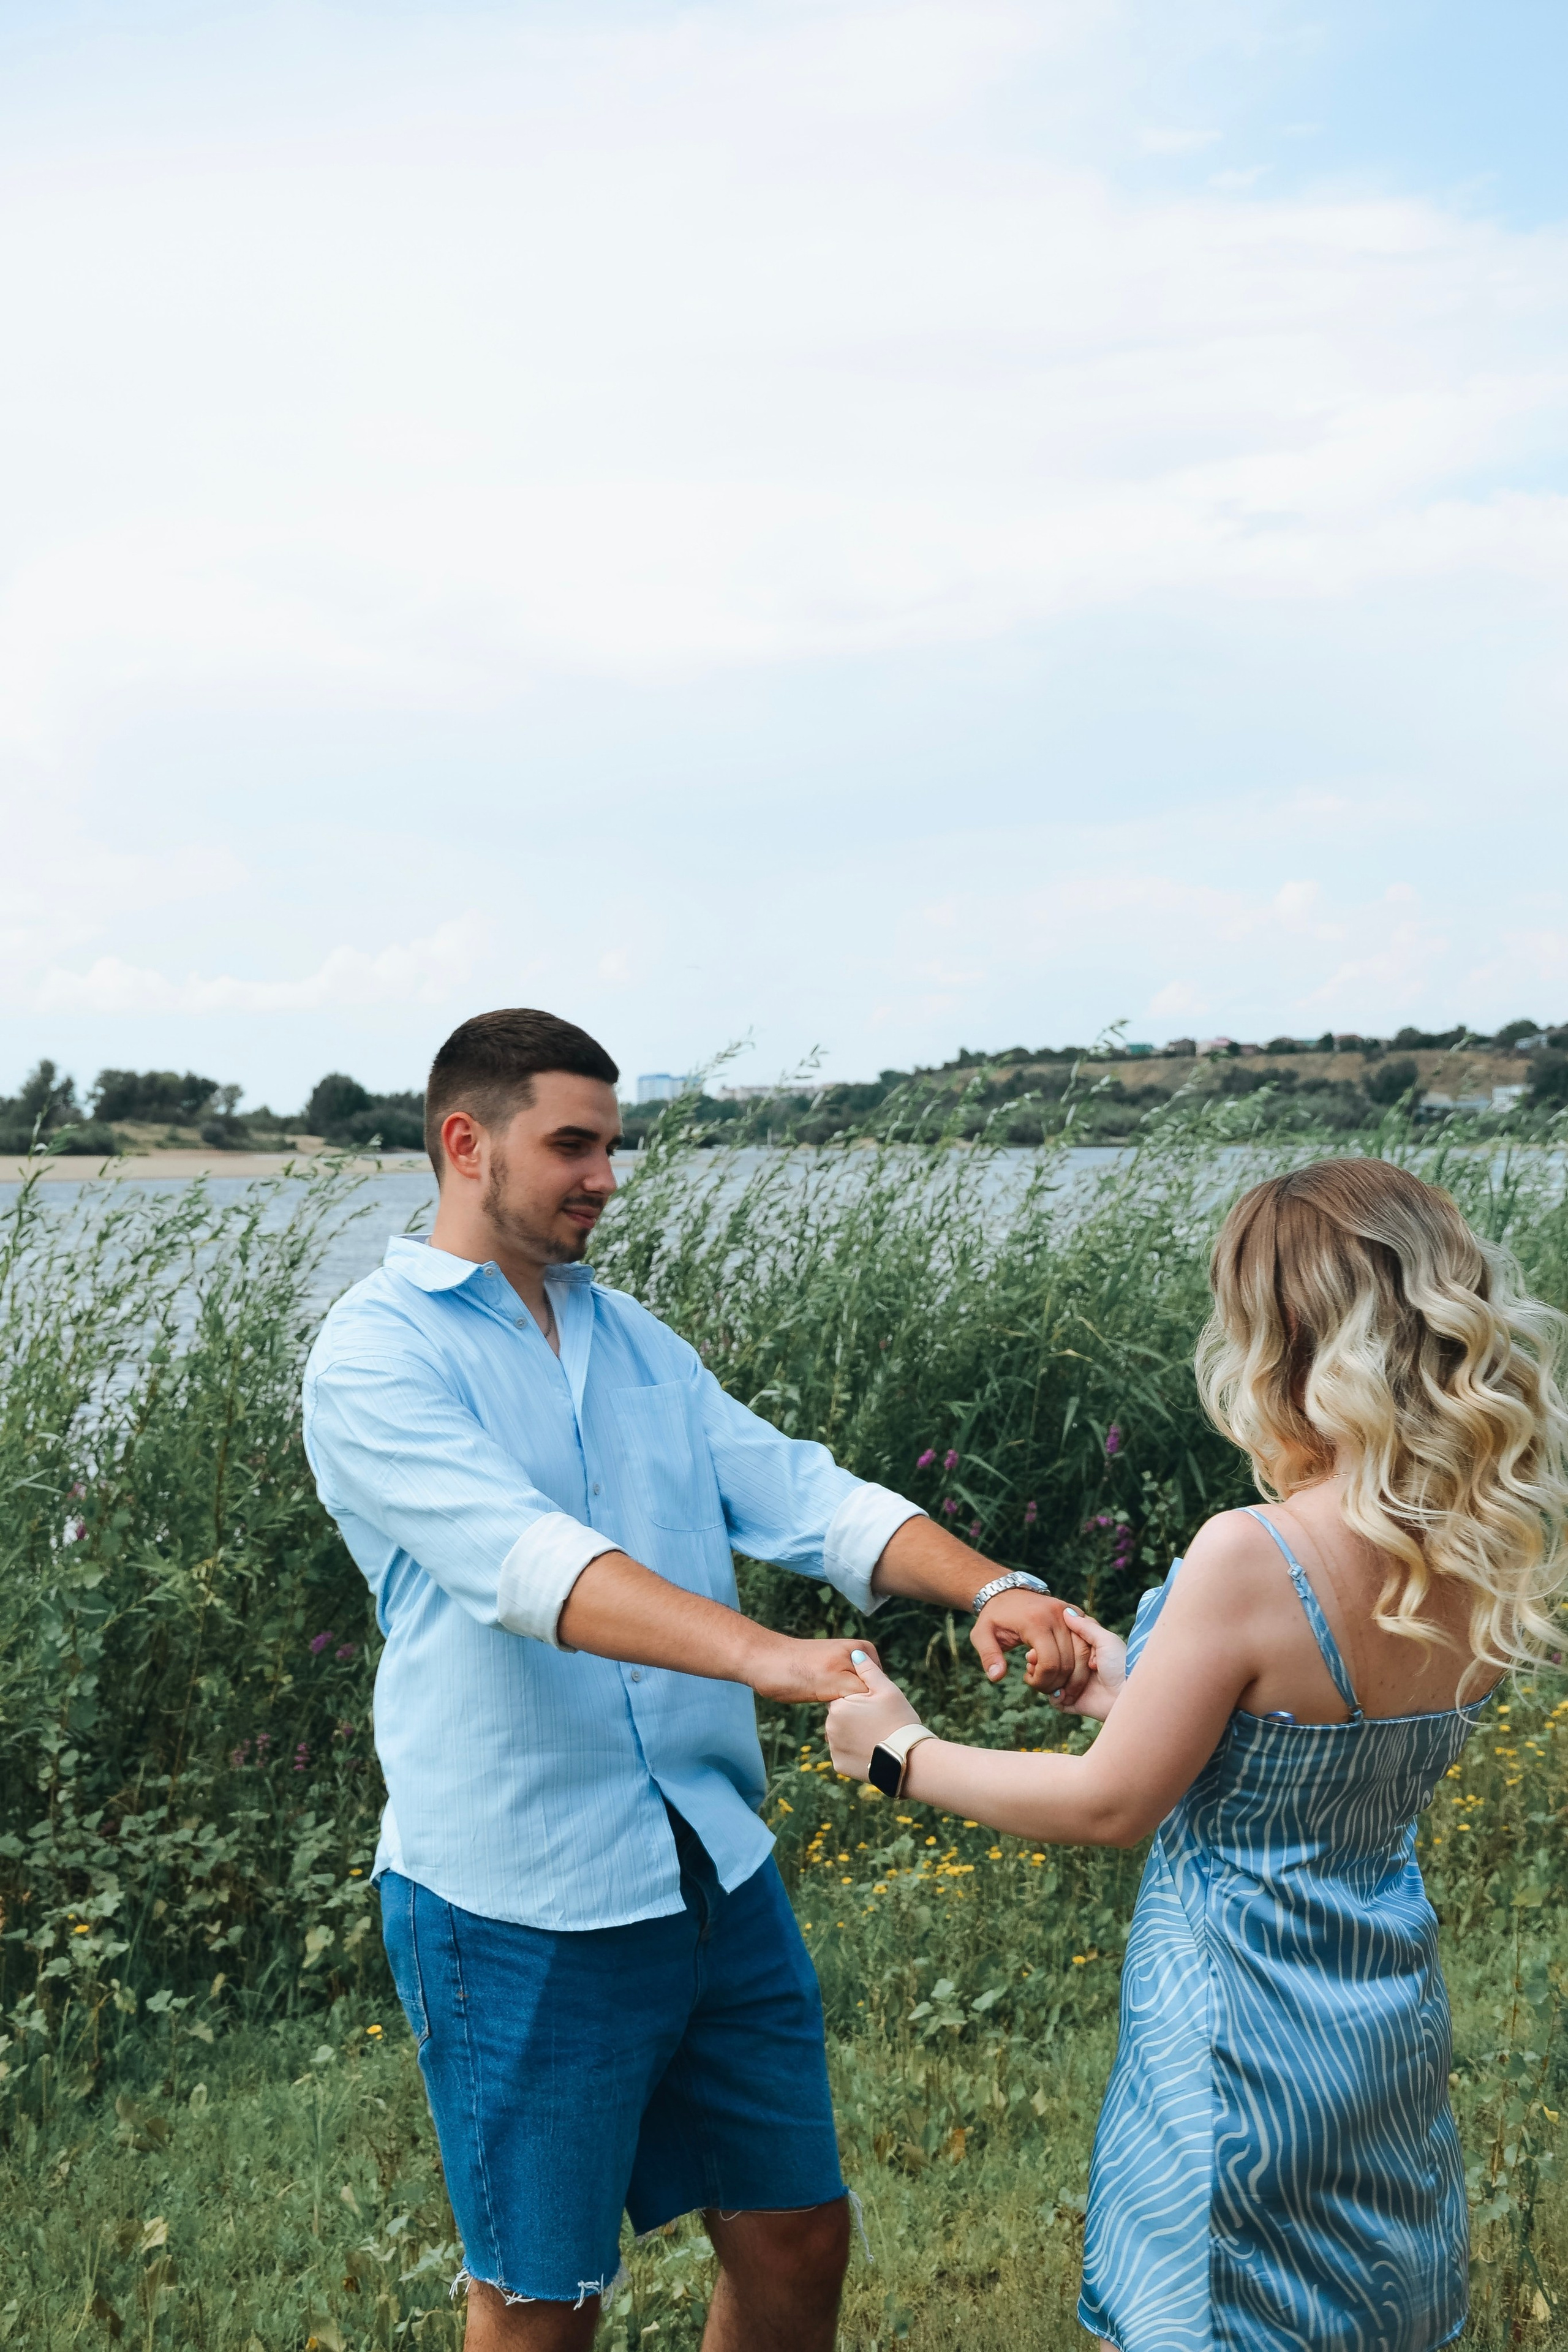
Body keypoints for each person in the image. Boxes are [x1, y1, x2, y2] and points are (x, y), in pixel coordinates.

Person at [301, 1006, 1079, 2352]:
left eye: (612, 1143)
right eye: (574, 1144)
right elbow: (531, 1565)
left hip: (709, 1867)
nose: (606, 1174)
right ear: (463, 1142)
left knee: (795, 2238)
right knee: (542, 2300)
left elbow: (800, 1494)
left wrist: (993, 1587)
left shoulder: (632, 1340)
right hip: (517, 1897)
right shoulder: (378, 1355)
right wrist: (770, 1658)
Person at [827, 1157, 1568, 2352]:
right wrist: (1132, 1681)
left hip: (1235, 2047)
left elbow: (1111, 1805)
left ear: (1275, 1333)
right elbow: (1300, 1735)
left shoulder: (1251, 1550)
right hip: (1379, 2027)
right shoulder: (1473, 1545)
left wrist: (898, 1751)